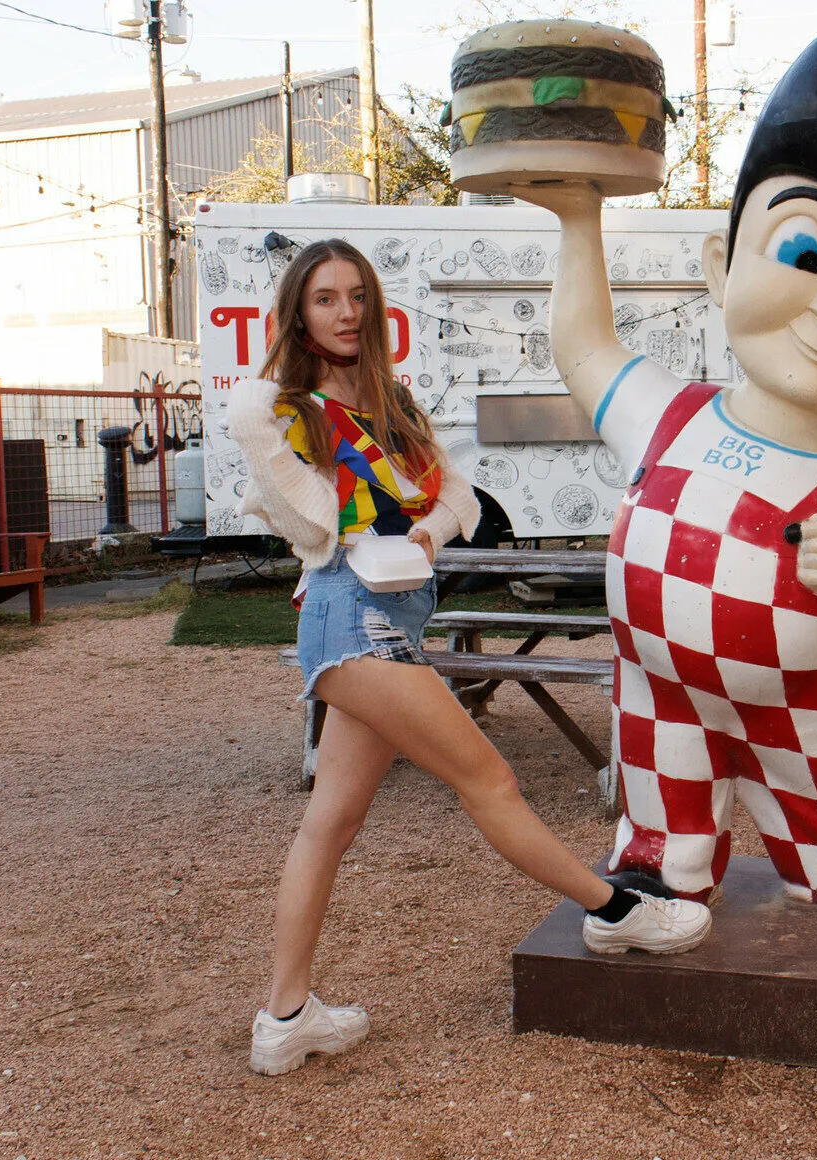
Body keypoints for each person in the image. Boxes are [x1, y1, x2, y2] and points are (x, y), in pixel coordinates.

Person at [514, 14, 817, 907]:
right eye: (804, 251)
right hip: (660, 685)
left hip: (804, 700)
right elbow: (582, 345)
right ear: (721, 264)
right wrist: (580, 218)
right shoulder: (670, 416)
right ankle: (659, 864)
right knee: (663, 787)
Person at [224, 239, 711, 1077]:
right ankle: (615, 910)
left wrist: (423, 531)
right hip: (352, 618)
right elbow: (313, 527)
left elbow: (458, 496)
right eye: (325, 299)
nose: (346, 313)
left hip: (395, 616)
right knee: (489, 780)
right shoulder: (283, 409)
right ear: (297, 314)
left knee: (330, 823)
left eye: (356, 296)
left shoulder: (391, 401)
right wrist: (264, 428)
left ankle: (286, 1016)